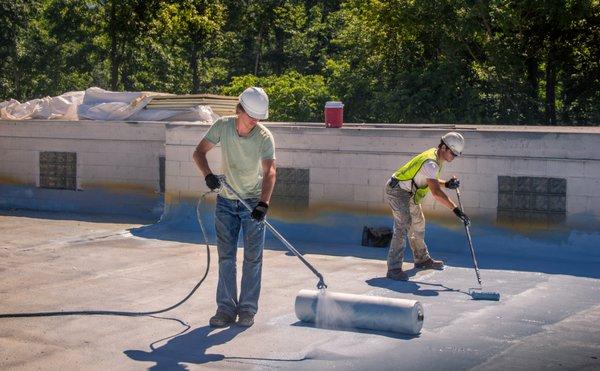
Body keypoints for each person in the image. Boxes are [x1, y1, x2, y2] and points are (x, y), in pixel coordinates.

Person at [193, 87, 276, 327]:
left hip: (251, 203)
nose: (255, 120)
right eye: (251, 115)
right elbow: (199, 152)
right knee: (226, 257)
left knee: (253, 258)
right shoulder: (223, 126)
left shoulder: (264, 136)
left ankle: (247, 310)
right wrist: (208, 175)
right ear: (240, 109)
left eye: (259, 117)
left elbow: (270, 171)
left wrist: (263, 203)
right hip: (226, 202)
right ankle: (226, 310)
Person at [385, 132, 470, 281]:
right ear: (444, 147)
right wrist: (456, 210)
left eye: (456, 155)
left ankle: (422, 259)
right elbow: (436, 192)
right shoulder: (431, 162)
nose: (454, 157)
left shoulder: (436, 156)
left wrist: (447, 184)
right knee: (403, 224)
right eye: (453, 153)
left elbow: (430, 179)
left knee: (418, 223)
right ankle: (393, 268)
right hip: (398, 191)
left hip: (408, 192)